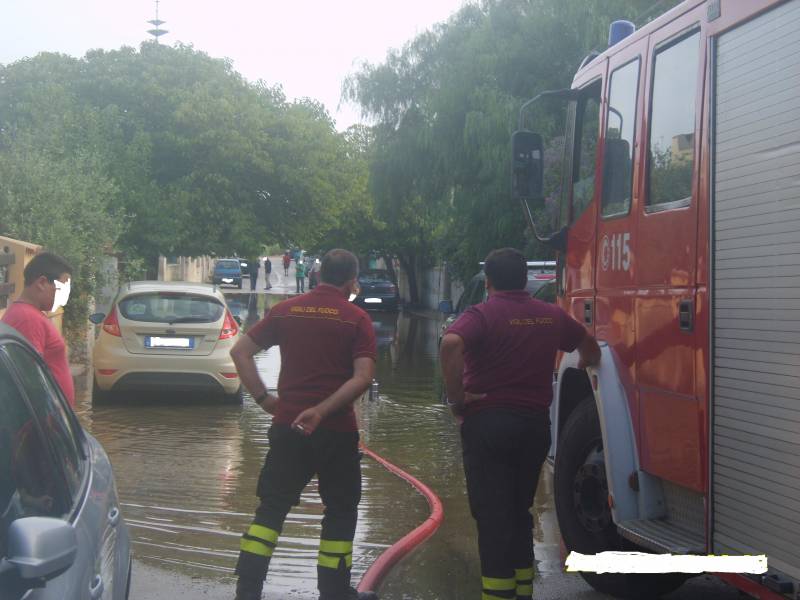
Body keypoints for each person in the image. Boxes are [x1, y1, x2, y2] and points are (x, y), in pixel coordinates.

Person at [439, 248, 600, 600]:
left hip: (489, 426)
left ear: (490, 282)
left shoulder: (482, 314)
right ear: (524, 278)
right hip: (534, 427)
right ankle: (523, 591)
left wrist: (457, 400)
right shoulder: (549, 315)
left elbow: (450, 343)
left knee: (493, 518)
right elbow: (590, 346)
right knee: (518, 511)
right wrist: (583, 365)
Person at [230, 249, 379, 600]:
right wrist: (323, 411)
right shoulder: (356, 318)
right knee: (340, 512)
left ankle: (247, 591)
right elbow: (363, 378)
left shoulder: (285, 310)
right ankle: (335, 592)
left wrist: (264, 400)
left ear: (317, 275)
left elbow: (240, 352)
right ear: (352, 281)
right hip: (337, 432)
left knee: (271, 510)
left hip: (288, 428)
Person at [1, 251, 75, 407]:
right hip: (45, 424)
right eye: (61, 289)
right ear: (42, 282)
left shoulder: (31, 314)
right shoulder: (27, 319)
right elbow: (31, 382)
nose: (64, 298)